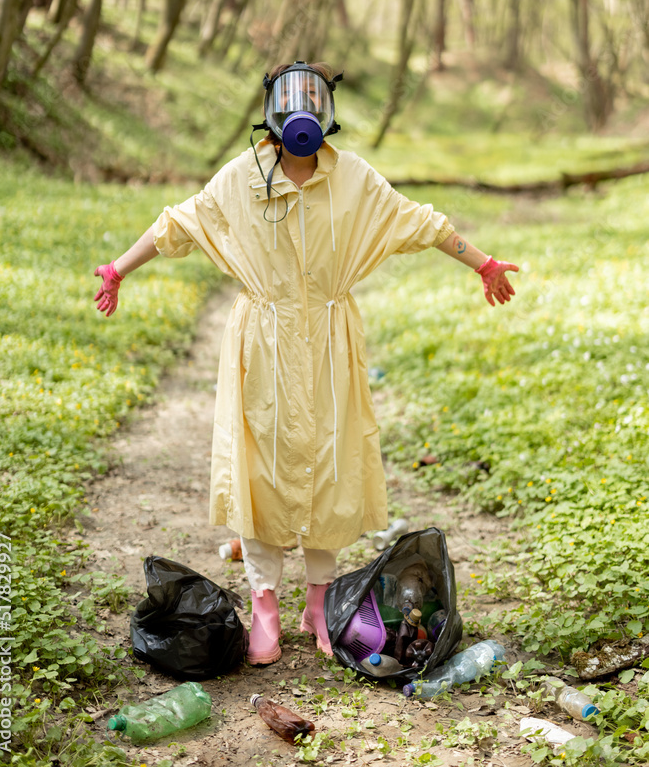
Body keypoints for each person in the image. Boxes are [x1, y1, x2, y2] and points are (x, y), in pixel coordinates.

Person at [93, 60, 518, 666]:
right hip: (261, 345)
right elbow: (178, 223)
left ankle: (318, 601)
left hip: (328, 341)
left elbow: (420, 221)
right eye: (291, 99)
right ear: (271, 110)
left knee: (331, 467)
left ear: (326, 111)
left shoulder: (354, 181)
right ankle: (263, 602)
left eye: (311, 99)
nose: (302, 111)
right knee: (259, 471)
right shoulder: (244, 177)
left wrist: (482, 262)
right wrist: (117, 269)